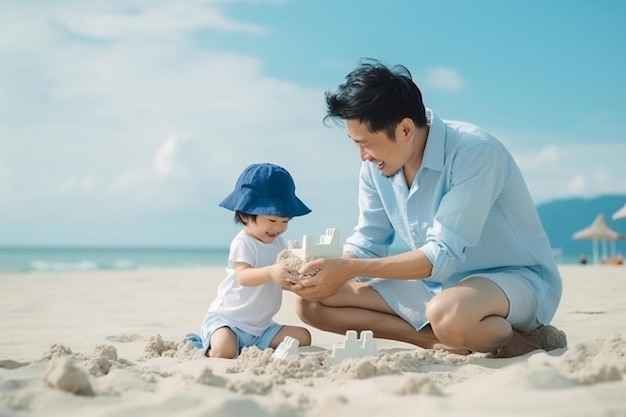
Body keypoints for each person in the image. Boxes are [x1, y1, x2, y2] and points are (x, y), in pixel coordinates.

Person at [293, 59, 564, 358]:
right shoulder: (376, 167)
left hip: (514, 282)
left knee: (450, 312)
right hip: (435, 288)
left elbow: (442, 254)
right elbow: (368, 242)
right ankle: (437, 340)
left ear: (406, 129)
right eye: (355, 143)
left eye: (366, 143)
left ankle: (513, 338)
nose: (362, 156)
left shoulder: (475, 152)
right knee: (312, 301)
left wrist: (351, 268)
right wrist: (321, 270)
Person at [190, 163, 312, 358]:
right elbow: (244, 277)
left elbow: (279, 278)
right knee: (224, 350)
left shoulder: (279, 243)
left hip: (261, 328)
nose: (278, 228)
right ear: (245, 215)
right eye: (272, 220)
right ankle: (204, 341)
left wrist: (295, 282)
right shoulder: (244, 243)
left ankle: (250, 349)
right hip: (228, 322)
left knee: (303, 337)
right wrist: (273, 272)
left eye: (285, 221)